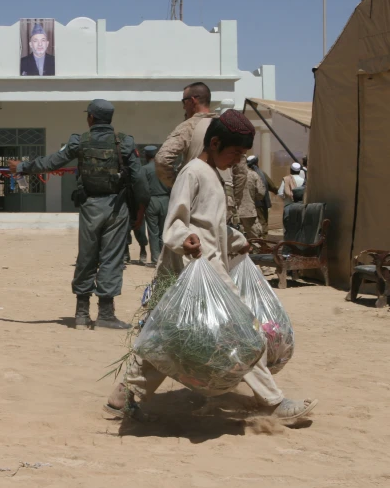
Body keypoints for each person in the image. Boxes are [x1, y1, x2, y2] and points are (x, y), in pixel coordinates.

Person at [104, 110, 318, 422]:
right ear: (215, 142)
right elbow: (176, 222)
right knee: (241, 333)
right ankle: (274, 402)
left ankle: (122, 396)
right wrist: (184, 239)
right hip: (194, 270)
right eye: (234, 153)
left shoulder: (213, 175)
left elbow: (210, 225)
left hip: (207, 269)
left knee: (170, 340)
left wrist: (235, 240)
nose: (237, 160)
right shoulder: (192, 173)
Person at [9, 99, 149, 330]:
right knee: (112, 259)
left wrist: (23, 167)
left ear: (91, 118)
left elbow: (53, 161)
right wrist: (140, 210)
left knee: (87, 257)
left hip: (91, 206)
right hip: (117, 207)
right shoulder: (125, 142)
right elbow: (139, 180)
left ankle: (82, 314)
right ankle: (106, 314)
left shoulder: (79, 141)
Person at [156, 82, 247, 223]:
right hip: (224, 200)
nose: (183, 107)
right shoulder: (228, 127)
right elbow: (241, 170)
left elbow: (162, 159)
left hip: (196, 198)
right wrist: (233, 197)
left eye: (184, 102)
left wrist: (178, 184)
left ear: (193, 101)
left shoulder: (188, 126)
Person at [139, 146, 170, 266]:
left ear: (146, 156)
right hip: (165, 200)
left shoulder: (144, 169)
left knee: (153, 232)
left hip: (151, 201)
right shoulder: (165, 168)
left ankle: (155, 259)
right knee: (164, 231)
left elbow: (143, 188)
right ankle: (164, 259)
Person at [245, 155, 276, 237]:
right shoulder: (261, 173)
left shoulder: (244, 174)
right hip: (261, 204)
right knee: (263, 223)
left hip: (247, 204)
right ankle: (263, 243)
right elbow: (272, 187)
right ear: (257, 163)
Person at [238, 155, 266, 239]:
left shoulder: (230, 174)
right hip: (248, 211)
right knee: (255, 238)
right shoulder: (253, 175)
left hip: (231, 212)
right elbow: (261, 193)